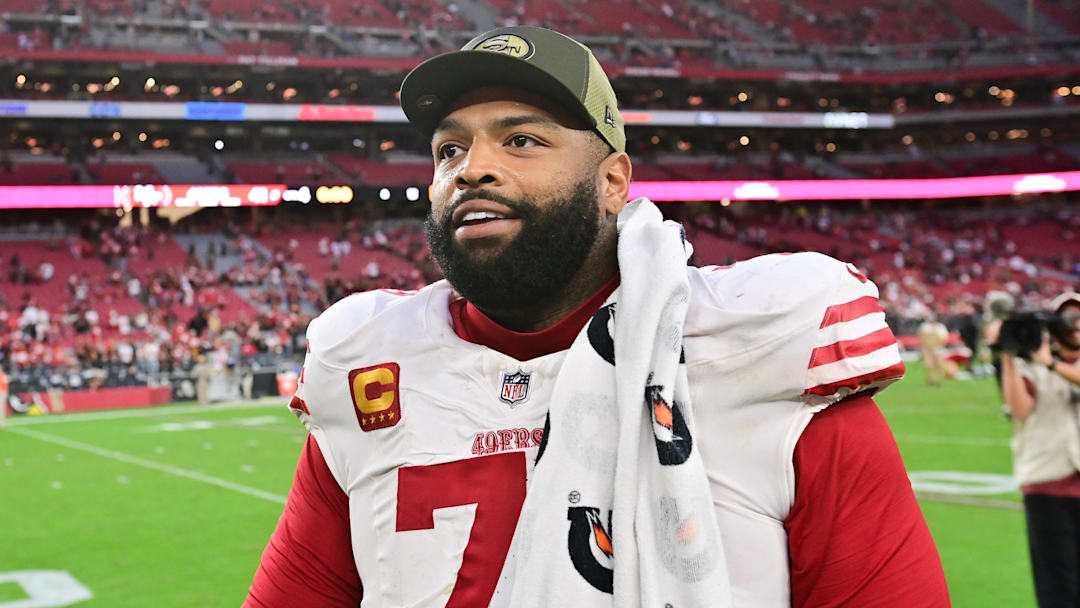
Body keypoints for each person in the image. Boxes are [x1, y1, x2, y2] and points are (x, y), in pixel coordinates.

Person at [245, 26, 948, 607]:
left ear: (613, 181)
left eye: (521, 140)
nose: (471, 168)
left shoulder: (759, 347)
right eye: (449, 149)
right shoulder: (369, 362)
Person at [1000, 292, 1080, 608]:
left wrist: (1053, 363)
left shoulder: (1050, 362)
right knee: (1056, 586)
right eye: (1066, 320)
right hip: (1046, 483)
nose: (1073, 327)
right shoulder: (1033, 363)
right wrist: (1007, 355)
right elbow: (1019, 409)